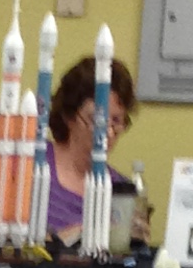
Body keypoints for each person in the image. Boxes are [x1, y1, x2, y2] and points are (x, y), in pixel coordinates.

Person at [41, 53, 139, 245]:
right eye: (97, 120)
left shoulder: (121, 191)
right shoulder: (33, 163)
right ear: (69, 116)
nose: (108, 132)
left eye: (117, 121)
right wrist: (65, 239)